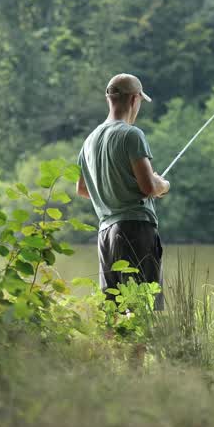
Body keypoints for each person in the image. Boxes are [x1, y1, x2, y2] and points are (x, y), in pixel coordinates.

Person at [76, 73, 170, 309]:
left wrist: (113, 189)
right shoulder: (131, 135)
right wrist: (163, 184)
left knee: (114, 311)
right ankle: (143, 348)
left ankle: (116, 348)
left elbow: (82, 189)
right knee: (144, 309)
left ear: (110, 99)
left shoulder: (90, 141)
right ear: (134, 100)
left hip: (106, 233)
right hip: (135, 229)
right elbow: (148, 187)